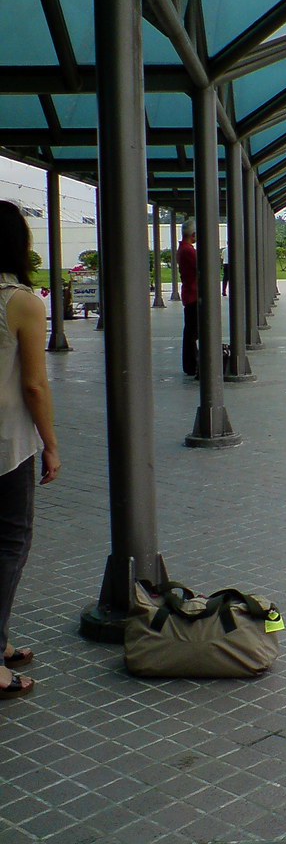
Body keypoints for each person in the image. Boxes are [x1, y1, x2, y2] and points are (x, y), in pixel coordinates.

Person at [0, 201, 61, 699]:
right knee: (9, 545)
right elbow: (35, 385)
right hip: (6, 444)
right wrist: (51, 446)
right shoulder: (21, 301)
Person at [177, 218, 198, 376]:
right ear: (193, 234)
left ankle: (191, 363)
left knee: (190, 331)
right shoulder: (189, 251)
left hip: (189, 293)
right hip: (193, 294)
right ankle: (191, 364)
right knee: (192, 332)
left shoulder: (182, 249)